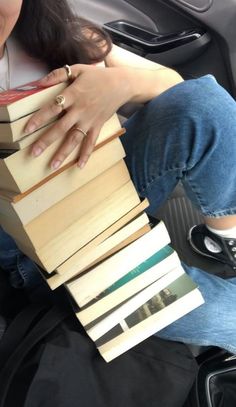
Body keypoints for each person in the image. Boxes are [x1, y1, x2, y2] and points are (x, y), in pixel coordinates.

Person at [0, 0, 236, 354]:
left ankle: (224, 237)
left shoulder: (45, 36)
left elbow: (172, 85)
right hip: (43, 258)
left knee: (204, 103)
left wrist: (118, 84)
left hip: (111, 190)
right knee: (217, 317)